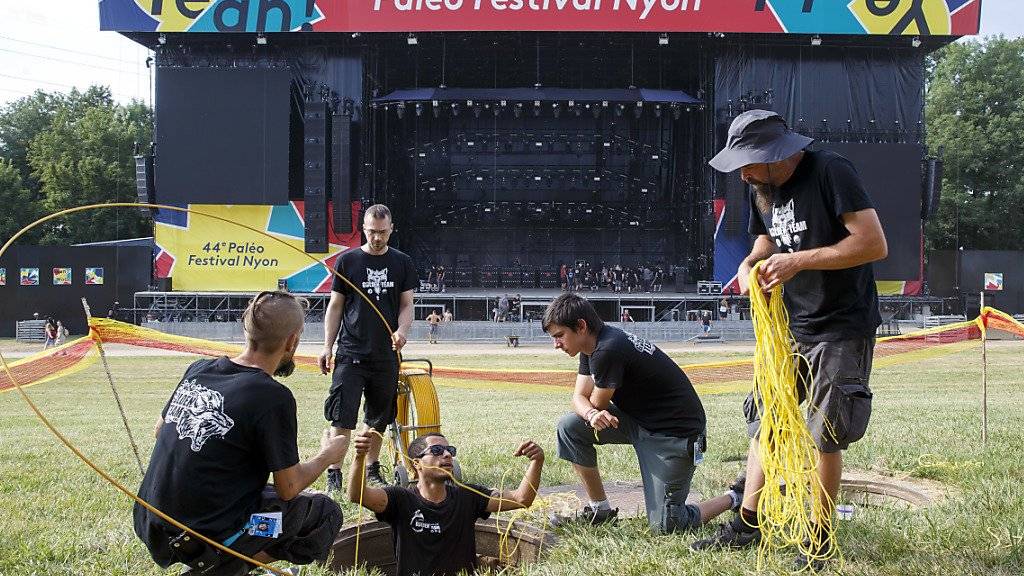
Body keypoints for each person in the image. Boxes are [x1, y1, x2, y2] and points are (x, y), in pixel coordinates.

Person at [694, 109, 887, 570]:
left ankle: (818, 537)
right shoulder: (762, 188)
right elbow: (764, 243)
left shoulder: (831, 171)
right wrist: (749, 266)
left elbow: (873, 243)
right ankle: (748, 521)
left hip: (840, 325)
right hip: (791, 326)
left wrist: (798, 261)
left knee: (827, 431)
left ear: (775, 154)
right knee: (768, 418)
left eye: (747, 161)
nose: (741, 173)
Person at [134, 291, 344, 575]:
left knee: (273, 503)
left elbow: (160, 431)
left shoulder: (200, 369)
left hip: (150, 520)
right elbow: (289, 487)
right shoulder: (273, 396)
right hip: (199, 534)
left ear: (246, 329)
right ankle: (219, 568)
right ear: (293, 340)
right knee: (322, 513)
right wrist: (326, 456)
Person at [544, 294, 740, 534]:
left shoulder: (608, 349)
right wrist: (592, 414)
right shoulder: (591, 346)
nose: (556, 344)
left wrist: (593, 412)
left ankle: (734, 496)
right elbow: (579, 398)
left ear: (581, 326)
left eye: (559, 336)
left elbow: (595, 403)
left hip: (674, 434)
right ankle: (600, 510)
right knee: (570, 427)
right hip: (640, 421)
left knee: (668, 525)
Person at [348, 430, 543, 576]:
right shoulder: (400, 499)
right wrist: (359, 457)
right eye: (437, 450)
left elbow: (521, 499)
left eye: (450, 450)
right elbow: (357, 495)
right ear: (417, 464)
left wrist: (537, 461)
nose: (447, 455)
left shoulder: (468, 495)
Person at [319, 204, 417, 494]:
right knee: (342, 415)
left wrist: (402, 331)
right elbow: (335, 306)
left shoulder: (402, 263)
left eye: (382, 232)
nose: (376, 238)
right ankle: (334, 471)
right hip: (350, 353)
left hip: (385, 356)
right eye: (372, 232)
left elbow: (407, 305)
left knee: (379, 417)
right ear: (364, 229)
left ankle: (372, 468)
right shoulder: (348, 261)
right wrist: (327, 347)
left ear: (391, 229)